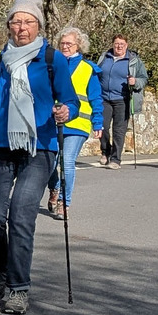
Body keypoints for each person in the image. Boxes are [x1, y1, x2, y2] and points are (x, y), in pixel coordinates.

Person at [0, 0, 79, 315]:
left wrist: (65, 111)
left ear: (38, 26)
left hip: (39, 146)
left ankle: (18, 287)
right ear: (8, 27)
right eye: (16, 21)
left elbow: (70, 101)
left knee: (21, 214)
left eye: (28, 22)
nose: (22, 27)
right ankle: (2, 269)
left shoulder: (52, 60)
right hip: (0, 144)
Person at [45, 27, 102, 217]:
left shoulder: (88, 69)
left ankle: (64, 202)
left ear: (79, 46)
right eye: (62, 43)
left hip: (78, 123)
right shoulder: (50, 66)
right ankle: (54, 188)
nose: (65, 47)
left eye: (69, 44)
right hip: (52, 122)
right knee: (49, 162)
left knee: (67, 161)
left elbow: (95, 97)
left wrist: (98, 121)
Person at [94, 34, 147, 168]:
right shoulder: (104, 57)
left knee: (119, 130)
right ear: (112, 44)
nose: (119, 46)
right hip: (103, 98)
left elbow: (143, 78)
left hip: (122, 99)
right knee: (102, 126)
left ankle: (115, 159)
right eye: (116, 44)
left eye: (122, 44)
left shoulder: (134, 61)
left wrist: (135, 82)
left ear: (126, 45)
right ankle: (105, 152)